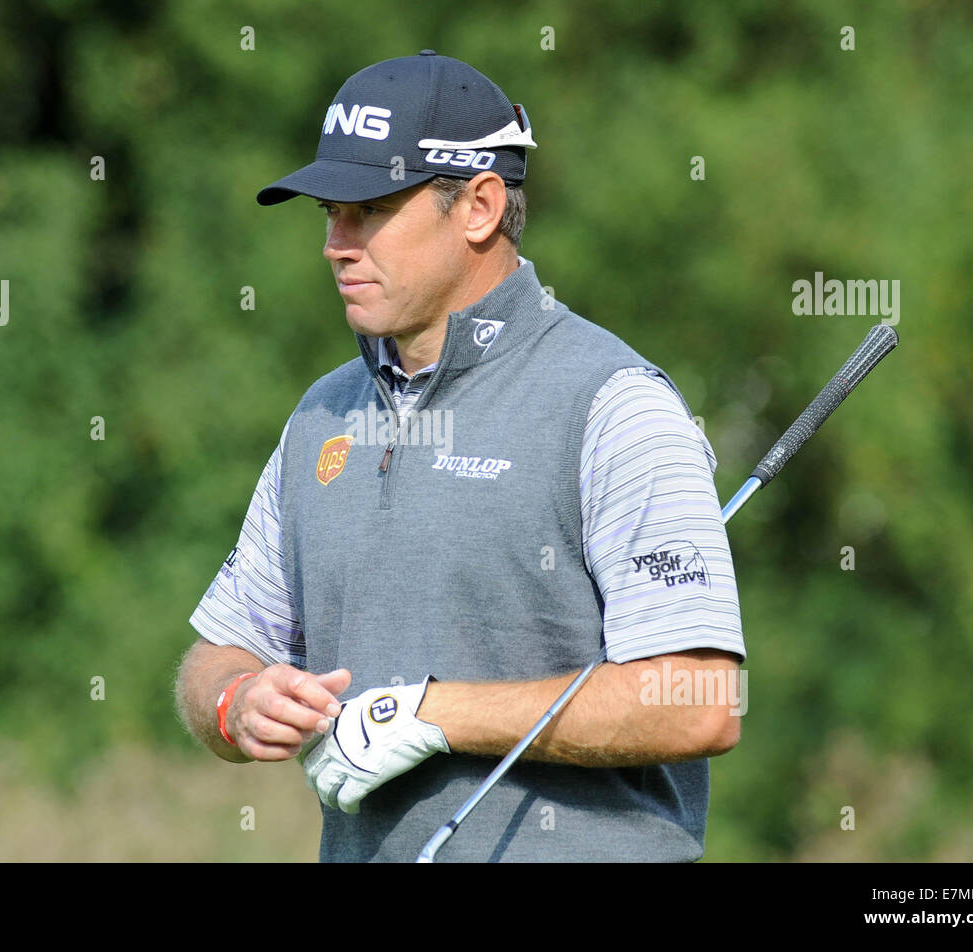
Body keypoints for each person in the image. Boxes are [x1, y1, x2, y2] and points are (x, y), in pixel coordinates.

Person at [177, 50, 746, 862]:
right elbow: (219, 652)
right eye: (329, 214)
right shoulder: (322, 417)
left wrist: (430, 714)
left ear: (478, 207)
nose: (337, 244)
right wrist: (237, 702)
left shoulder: (614, 404)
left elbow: (699, 702)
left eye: (368, 210)